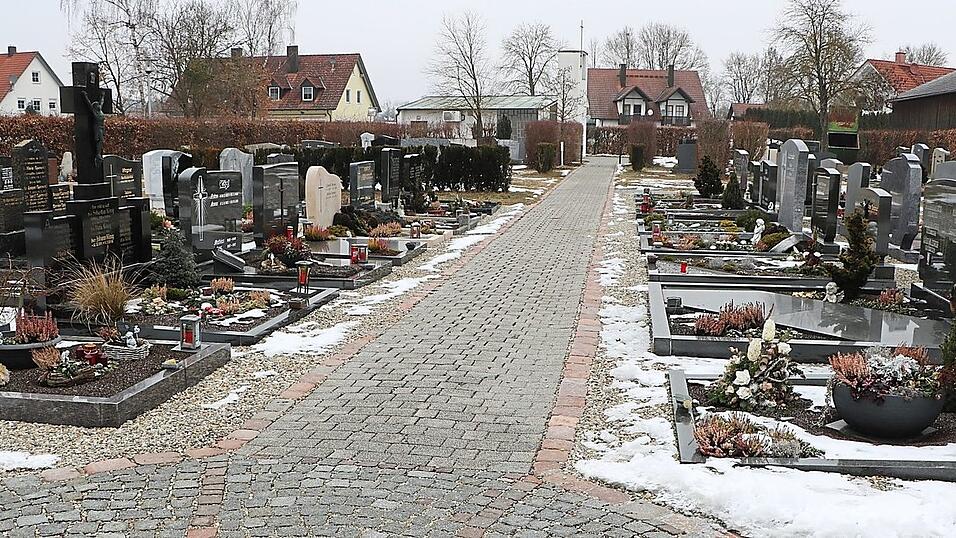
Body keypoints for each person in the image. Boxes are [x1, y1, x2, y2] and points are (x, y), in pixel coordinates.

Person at [81, 90, 106, 169]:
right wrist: (85, 96)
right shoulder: (94, 112)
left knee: (101, 141)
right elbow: (88, 103)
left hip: (102, 127)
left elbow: (102, 102)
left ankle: (98, 154)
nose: (99, 105)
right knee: (99, 140)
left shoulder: (100, 111)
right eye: (97, 105)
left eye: (99, 105)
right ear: (95, 107)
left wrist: (102, 96)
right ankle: (97, 155)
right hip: (97, 128)